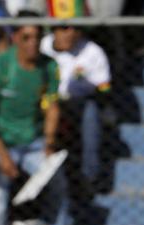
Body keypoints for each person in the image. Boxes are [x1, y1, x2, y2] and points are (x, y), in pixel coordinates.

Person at [0, 15, 73, 225]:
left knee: (56, 182)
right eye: (26, 37)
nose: (32, 43)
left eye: (37, 37)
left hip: (34, 142)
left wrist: (49, 144)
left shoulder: (49, 67)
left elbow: (52, 108)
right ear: (15, 38)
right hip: (1, 142)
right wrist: (1, 152)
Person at [40, 25, 112, 191]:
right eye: (63, 28)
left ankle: (89, 178)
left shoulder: (93, 52)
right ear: (53, 30)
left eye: (74, 29)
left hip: (78, 103)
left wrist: (89, 84)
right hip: (47, 101)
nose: (69, 34)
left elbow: (105, 87)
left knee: (91, 114)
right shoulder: (42, 46)